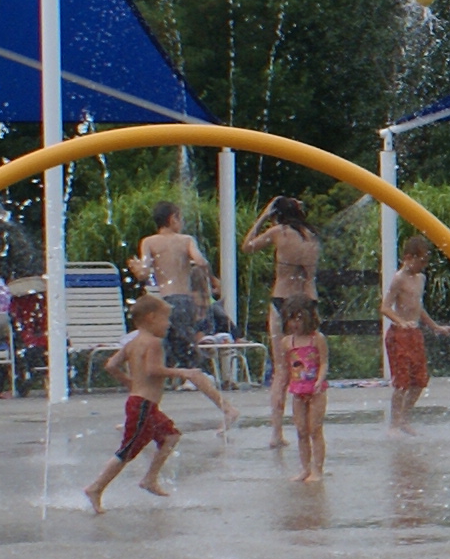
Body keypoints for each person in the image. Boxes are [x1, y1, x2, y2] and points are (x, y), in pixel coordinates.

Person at [132, 201, 237, 430]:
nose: (181, 222)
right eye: (180, 218)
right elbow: (200, 262)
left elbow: (144, 273)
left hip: (167, 305)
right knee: (158, 360)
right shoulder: (186, 240)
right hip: (184, 303)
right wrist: (211, 280)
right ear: (172, 219)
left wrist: (137, 269)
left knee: (166, 361)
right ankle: (143, 416)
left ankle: (226, 408)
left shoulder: (149, 242)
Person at [84, 291, 187, 509]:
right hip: (143, 406)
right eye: (165, 318)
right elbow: (153, 369)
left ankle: (150, 478)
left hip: (141, 403)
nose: (168, 324)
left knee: (170, 436)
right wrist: (183, 373)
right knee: (128, 450)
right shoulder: (154, 343)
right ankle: (96, 487)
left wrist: (129, 381)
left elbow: (111, 365)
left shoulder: (132, 343)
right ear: (151, 317)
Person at [245, 196, 322, 448]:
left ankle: (277, 433)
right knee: (309, 366)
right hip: (307, 301)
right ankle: (309, 424)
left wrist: (264, 216)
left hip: (281, 300)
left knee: (281, 370)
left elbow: (247, 247)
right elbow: (311, 275)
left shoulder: (279, 232)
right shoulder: (312, 236)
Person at [381, 240, 434, 425]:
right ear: (408, 258)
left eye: (426, 261)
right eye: (421, 261)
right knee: (402, 382)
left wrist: (435, 326)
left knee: (420, 381)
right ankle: (394, 423)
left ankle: (404, 417)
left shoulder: (421, 278)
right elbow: (385, 307)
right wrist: (401, 322)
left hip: (415, 333)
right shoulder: (399, 279)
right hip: (399, 335)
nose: (423, 266)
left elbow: (418, 307)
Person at [280, 312, 331, 482]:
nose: (295, 323)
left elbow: (323, 362)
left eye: (300, 318)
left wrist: (319, 379)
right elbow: (285, 368)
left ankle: (317, 470)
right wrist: (282, 388)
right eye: (292, 318)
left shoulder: (317, 339)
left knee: (315, 430)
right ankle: (305, 468)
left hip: (316, 390)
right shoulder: (287, 342)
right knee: (301, 431)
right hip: (297, 390)